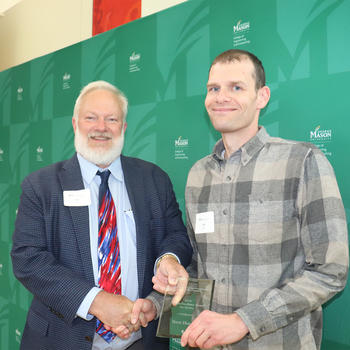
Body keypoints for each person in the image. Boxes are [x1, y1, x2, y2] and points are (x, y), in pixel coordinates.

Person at [181, 49, 349, 349]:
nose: (220, 97)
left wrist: (243, 321)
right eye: (213, 89)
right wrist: (160, 299)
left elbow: (330, 270)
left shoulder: (303, 161)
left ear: (262, 96)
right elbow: (197, 266)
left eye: (236, 87)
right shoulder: (197, 176)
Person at [11, 80, 192, 350]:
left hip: (141, 339)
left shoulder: (154, 179)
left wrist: (168, 259)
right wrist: (96, 301)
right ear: (75, 124)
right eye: (91, 118)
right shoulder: (41, 186)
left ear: (124, 127)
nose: (101, 127)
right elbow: (28, 259)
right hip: (61, 340)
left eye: (111, 119)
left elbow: (176, 235)